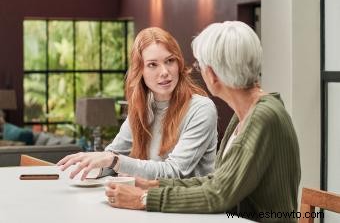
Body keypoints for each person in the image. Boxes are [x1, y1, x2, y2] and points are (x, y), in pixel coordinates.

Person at [104, 21, 301, 223]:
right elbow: (217, 182)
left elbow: (219, 194)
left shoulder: (263, 117)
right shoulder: (245, 114)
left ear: (213, 74)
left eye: (200, 65)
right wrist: (153, 185)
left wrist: (145, 198)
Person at [58, 27, 218, 180]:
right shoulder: (143, 107)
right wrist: (89, 166)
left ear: (179, 64)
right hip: (147, 204)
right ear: (140, 70)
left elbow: (175, 171)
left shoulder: (201, 109)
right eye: (152, 64)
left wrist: (114, 161)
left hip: (190, 206)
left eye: (170, 61)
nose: (164, 72)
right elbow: (112, 156)